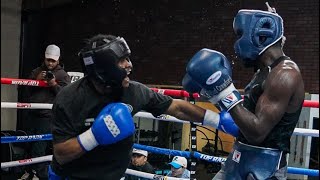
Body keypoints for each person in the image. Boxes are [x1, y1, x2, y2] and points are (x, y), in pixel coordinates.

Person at [48, 34, 240, 180]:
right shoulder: (69, 98)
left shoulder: (133, 91)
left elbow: (176, 107)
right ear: (103, 68)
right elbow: (61, 154)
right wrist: (94, 136)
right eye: (122, 60)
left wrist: (217, 120)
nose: (129, 65)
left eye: (128, 58)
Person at [184, 3, 305, 180]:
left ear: (259, 36)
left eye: (240, 35)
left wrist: (224, 92)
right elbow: (244, 113)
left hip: (264, 168)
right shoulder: (262, 72)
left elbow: (257, 132)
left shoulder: (285, 75)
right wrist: (215, 95)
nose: (236, 43)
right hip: (238, 156)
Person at [22, 44, 71, 180]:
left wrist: (54, 84)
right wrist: (35, 81)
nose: (50, 63)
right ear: (44, 58)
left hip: (48, 117)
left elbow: (67, 96)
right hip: (32, 114)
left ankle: (40, 175)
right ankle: (29, 172)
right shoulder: (36, 71)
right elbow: (25, 90)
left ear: (58, 60)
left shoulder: (63, 75)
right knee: (27, 144)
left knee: (40, 147)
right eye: (48, 59)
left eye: (53, 60)